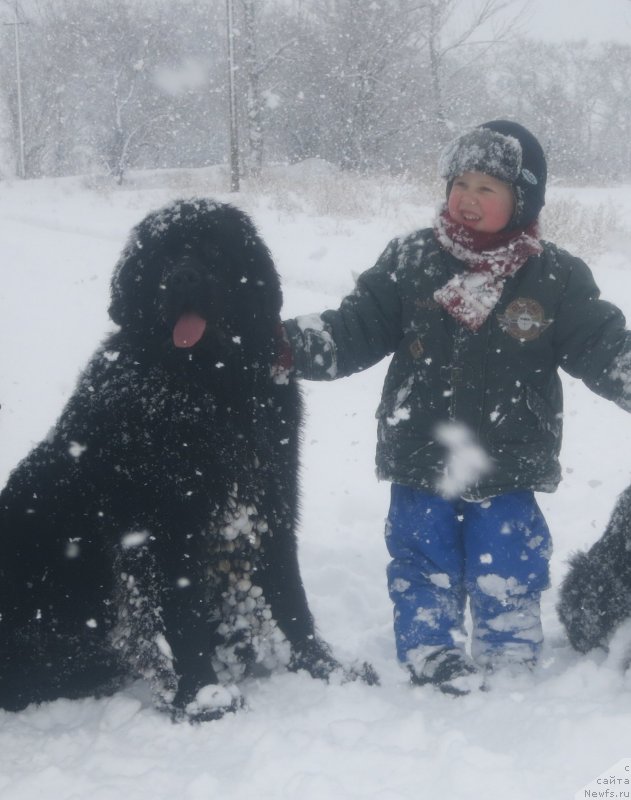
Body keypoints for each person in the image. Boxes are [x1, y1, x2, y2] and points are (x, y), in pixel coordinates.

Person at [280, 120, 631, 695]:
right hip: (422, 448)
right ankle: (431, 648)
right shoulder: (411, 259)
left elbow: (606, 347)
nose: (468, 198)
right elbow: (353, 330)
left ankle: (509, 646)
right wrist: (281, 345)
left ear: (523, 200)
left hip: (508, 456)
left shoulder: (554, 276)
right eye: (459, 183)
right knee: (422, 554)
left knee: (511, 558)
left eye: (488, 188)